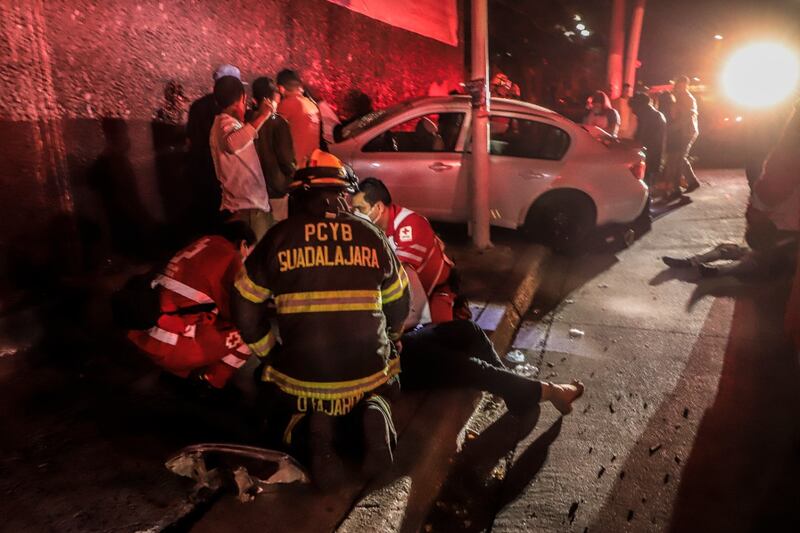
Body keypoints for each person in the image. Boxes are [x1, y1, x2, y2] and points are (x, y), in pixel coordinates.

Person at [231, 150, 410, 487]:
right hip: (367, 370)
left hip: (303, 376)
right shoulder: (371, 234)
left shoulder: (277, 238)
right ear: (343, 194)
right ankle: (376, 411)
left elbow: (243, 305)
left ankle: (312, 428)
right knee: (384, 382)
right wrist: (391, 339)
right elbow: (400, 302)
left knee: (273, 398)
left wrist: (270, 354)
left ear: (298, 196)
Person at [127, 222, 256, 389]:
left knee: (218, 320)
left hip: (147, 331)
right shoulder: (229, 256)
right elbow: (239, 310)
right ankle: (210, 383)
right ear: (243, 245)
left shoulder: (202, 244)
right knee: (251, 329)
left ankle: (180, 372)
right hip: (168, 343)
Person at [352, 177, 466, 325]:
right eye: (353, 209)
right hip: (409, 297)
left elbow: (398, 274)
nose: (355, 214)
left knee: (442, 338)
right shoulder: (372, 230)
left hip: (436, 294)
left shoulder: (411, 225)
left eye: (360, 209)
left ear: (378, 208)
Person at [209, 75, 273, 242]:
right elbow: (233, 143)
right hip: (247, 209)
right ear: (242, 99)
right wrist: (264, 115)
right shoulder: (225, 123)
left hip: (244, 207)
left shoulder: (223, 124)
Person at [186, 64, 241, 233]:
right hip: (226, 174)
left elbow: (190, 141)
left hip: (203, 171)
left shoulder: (197, 106)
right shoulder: (233, 109)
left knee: (207, 221)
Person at [248, 77, 296, 223]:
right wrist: (293, 175)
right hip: (276, 190)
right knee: (277, 234)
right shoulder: (278, 123)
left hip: (252, 190)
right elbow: (286, 160)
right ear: (273, 97)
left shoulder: (247, 121)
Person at [276, 69, 324, 166]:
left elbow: (273, 132)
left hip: (295, 168)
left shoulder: (287, 104)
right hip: (313, 165)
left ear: (281, 88)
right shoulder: (312, 105)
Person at [663, 76, 700, 198]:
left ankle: (677, 187)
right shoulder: (679, 96)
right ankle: (691, 182)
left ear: (685, 85)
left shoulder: (687, 98)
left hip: (687, 132)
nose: (679, 87)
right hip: (682, 132)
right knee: (680, 158)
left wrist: (675, 127)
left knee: (679, 158)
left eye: (681, 85)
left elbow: (687, 116)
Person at [629, 92, 667, 190]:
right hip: (653, 156)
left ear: (640, 106)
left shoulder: (648, 117)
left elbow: (641, 141)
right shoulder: (655, 115)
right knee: (648, 186)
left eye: (633, 108)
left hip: (649, 157)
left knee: (644, 187)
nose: (633, 111)